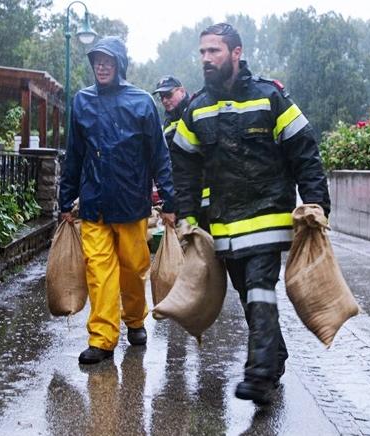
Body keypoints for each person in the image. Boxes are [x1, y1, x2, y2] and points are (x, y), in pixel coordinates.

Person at [173, 23, 331, 403]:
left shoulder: (269, 97)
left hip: (267, 220)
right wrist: (186, 215)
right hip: (225, 226)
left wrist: (316, 203)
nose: (206, 59)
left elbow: (304, 150)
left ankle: (259, 375)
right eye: (202, 52)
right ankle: (274, 355)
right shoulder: (196, 109)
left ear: (236, 52)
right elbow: (184, 164)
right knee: (250, 297)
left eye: (214, 51)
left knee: (261, 288)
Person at [59, 36, 177, 365]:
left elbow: (159, 156)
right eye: (96, 60)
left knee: (133, 270)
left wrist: (169, 200)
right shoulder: (82, 102)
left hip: (131, 205)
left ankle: (136, 319)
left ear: (120, 64)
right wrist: (65, 200)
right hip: (94, 205)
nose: (101, 65)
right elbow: (75, 155)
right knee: (99, 272)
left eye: (108, 60)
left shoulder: (141, 103)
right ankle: (102, 338)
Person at [152, 76, 210, 230]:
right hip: (180, 195)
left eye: (168, 95)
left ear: (182, 91)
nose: (165, 100)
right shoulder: (167, 123)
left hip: (204, 194)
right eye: (162, 97)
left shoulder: (195, 112)